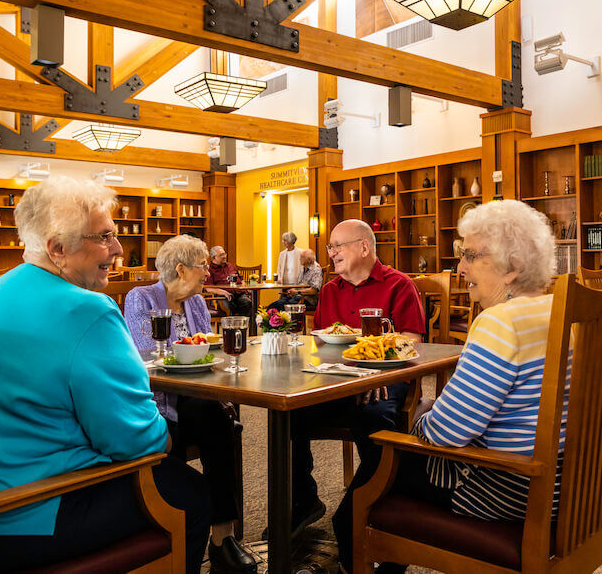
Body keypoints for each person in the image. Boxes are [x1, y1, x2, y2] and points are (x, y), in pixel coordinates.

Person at [0, 177, 211, 571]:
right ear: (57, 248)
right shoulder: (87, 310)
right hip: (12, 516)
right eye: (105, 236)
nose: (119, 249)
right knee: (189, 492)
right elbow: (139, 442)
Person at [333, 199, 566, 573]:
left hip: (511, 489)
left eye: (470, 256)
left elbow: (448, 433)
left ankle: (352, 553)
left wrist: (419, 422)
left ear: (515, 268)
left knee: (377, 471)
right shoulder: (560, 312)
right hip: (569, 486)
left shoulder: (500, 324)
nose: (460, 268)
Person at [123, 235, 256, 574]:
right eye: (202, 267)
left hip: (198, 397)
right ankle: (199, 535)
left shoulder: (197, 303)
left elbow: (208, 350)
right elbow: (146, 355)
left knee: (211, 412)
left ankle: (222, 535)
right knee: (213, 419)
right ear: (181, 269)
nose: (207, 274)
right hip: (159, 400)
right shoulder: (142, 297)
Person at [286, 219, 426, 538]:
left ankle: (368, 511)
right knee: (288, 414)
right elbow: (320, 342)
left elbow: (413, 339)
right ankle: (304, 501)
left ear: (364, 247)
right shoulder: (331, 290)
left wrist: (373, 371)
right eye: (330, 247)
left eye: (337, 246)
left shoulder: (399, 284)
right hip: (338, 381)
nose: (331, 253)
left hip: (384, 383)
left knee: (373, 418)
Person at [205, 245, 252, 316]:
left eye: (224, 254)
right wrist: (223, 292)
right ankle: (231, 326)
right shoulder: (209, 270)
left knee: (247, 302)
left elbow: (241, 279)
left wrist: (245, 287)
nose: (224, 256)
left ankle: (244, 326)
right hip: (222, 296)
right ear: (214, 257)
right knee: (230, 305)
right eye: (221, 255)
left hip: (239, 293)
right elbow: (208, 288)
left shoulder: (230, 266)